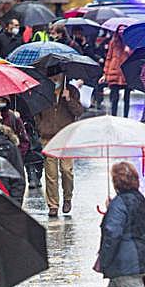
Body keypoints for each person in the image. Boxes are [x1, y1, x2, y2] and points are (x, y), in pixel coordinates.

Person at [35, 73, 83, 217]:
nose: (55, 79)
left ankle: (67, 198)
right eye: (52, 76)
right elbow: (37, 113)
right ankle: (53, 205)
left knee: (67, 170)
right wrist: (40, 127)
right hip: (48, 138)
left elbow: (79, 112)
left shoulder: (72, 91)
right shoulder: (43, 92)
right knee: (51, 173)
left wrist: (69, 99)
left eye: (58, 76)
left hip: (66, 137)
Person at [102, 27, 131, 117]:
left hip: (126, 72)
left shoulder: (130, 42)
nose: (121, 32)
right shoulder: (113, 42)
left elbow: (134, 57)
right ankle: (113, 116)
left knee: (127, 98)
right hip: (114, 71)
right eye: (119, 30)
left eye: (123, 30)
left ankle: (126, 117)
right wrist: (105, 73)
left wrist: (129, 51)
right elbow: (108, 57)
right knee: (114, 97)